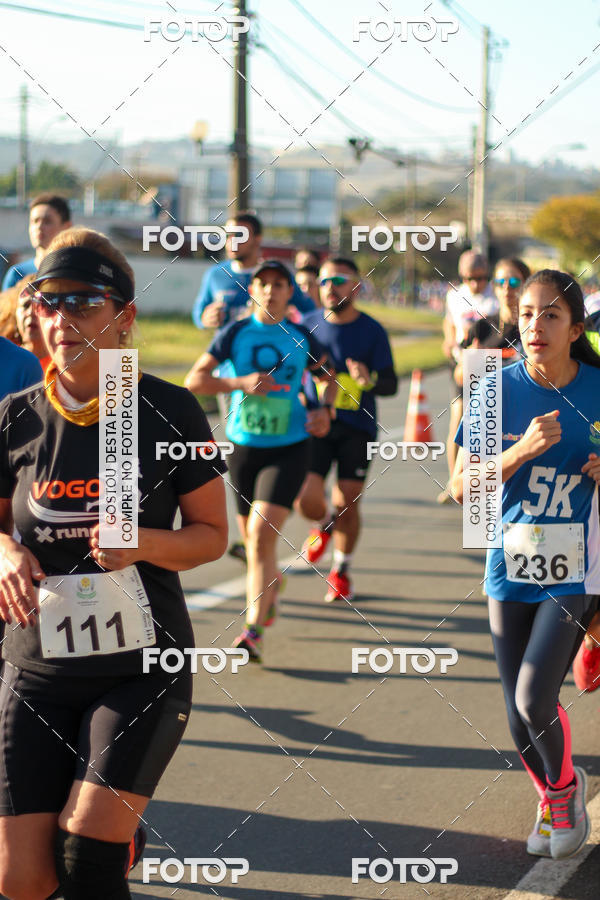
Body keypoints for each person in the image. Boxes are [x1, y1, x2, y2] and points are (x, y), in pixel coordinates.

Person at [0, 227, 228, 899]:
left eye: (83, 302)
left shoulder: (169, 410)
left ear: (123, 317)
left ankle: (109, 827)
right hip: (34, 664)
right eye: (47, 302)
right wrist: (6, 551)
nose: (62, 319)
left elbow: (213, 534)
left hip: (139, 666)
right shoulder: (15, 419)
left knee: (86, 860)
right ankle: (115, 824)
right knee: (20, 880)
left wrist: (143, 545)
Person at [451, 269, 600, 860]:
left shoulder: (599, 389)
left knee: (537, 697)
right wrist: (519, 451)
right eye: (529, 313)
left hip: (579, 563)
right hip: (509, 560)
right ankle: (554, 793)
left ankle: (562, 795)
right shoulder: (493, 387)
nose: (535, 325)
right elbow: (463, 488)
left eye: (552, 315)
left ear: (576, 328)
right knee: (516, 709)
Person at [185, 260, 333, 663]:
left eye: (278, 284)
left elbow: (328, 378)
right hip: (243, 446)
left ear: (290, 293)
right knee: (253, 543)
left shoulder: (302, 337)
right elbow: (194, 381)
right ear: (252, 290)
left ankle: (251, 632)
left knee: (262, 536)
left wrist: (326, 411)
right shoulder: (234, 333)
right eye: (262, 284)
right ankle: (271, 585)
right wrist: (238, 383)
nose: (270, 291)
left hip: (290, 447)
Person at [296, 257, 397, 603]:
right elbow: (292, 374)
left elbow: (390, 384)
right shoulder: (306, 325)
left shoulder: (372, 330)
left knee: (348, 503)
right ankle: (323, 522)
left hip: (357, 427)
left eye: (338, 281)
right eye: (324, 282)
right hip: (315, 424)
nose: (330, 288)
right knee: (305, 500)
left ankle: (341, 570)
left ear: (355, 286)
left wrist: (369, 379)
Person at [439, 250, 498, 503]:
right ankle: (455, 481)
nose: (475, 284)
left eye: (481, 278)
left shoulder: (496, 297)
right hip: (463, 364)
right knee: (458, 417)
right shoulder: (454, 295)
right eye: (469, 278)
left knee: (491, 422)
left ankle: (490, 481)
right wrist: (448, 340)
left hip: (492, 364)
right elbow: (449, 322)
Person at [192, 212, 315, 329]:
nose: (232, 241)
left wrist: (291, 322)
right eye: (228, 235)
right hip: (227, 350)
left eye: (240, 235)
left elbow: (311, 313)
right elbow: (199, 312)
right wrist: (205, 318)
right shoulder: (215, 274)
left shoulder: (276, 274)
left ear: (257, 239)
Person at [2, 193, 72, 290]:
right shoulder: (17, 274)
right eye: (34, 221)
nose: (39, 227)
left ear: (66, 227)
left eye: (47, 221)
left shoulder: (75, 273)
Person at [0, 277, 52, 371]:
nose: (31, 313)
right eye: (25, 305)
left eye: (41, 305)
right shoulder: (4, 357)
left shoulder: (65, 365)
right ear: (14, 314)